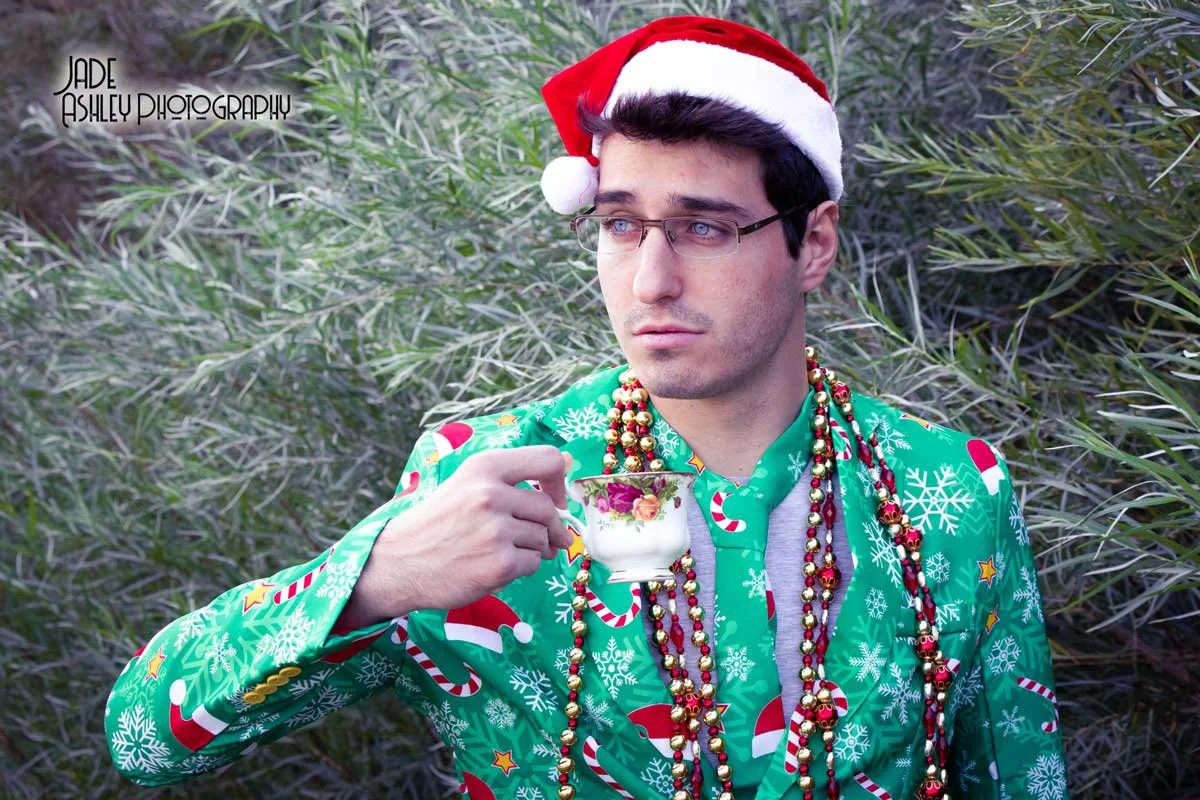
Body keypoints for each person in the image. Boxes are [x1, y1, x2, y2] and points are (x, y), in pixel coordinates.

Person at [105, 15, 1069, 800]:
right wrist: (374, 581)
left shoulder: (947, 490)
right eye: (619, 225)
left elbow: (1017, 776)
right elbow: (149, 738)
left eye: (703, 226)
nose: (651, 279)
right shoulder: (490, 481)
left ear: (811, 245)